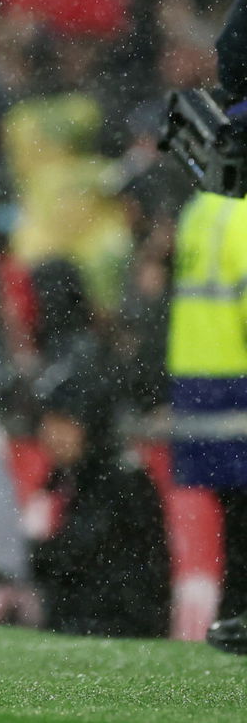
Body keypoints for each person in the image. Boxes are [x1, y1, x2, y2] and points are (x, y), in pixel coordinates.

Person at [30, 360, 170, 638]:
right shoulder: (81, 475)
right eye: (49, 422)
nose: (52, 435)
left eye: (65, 423)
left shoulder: (119, 479)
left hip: (117, 627)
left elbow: (75, 553)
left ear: (91, 426)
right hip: (94, 621)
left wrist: (24, 551)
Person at [168, 190, 247, 656]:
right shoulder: (240, 216)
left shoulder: (200, 207)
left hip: (199, 383)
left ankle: (233, 614)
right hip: (236, 381)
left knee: (233, 514)